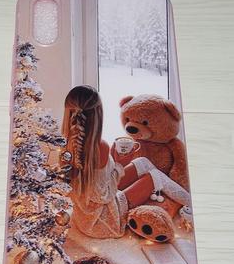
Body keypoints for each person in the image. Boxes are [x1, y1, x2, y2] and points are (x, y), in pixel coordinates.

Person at [61, 85, 190, 239]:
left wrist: (114, 163)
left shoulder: (65, 143)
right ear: (98, 114)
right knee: (155, 176)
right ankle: (191, 204)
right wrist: (119, 165)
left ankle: (172, 195)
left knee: (142, 162)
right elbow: (103, 196)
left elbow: (92, 185)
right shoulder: (100, 146)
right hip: (102, 219)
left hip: (86, 211)